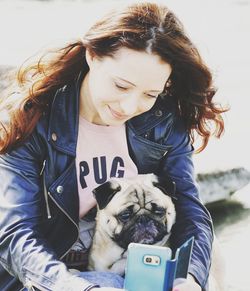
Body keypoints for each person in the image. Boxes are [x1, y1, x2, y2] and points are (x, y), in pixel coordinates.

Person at [0, 2, 227, 291]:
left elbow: (191, 211)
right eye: (121, 86)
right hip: (53, 277)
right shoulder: (30, 120)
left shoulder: (165, 121)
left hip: (141, 264)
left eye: (150, 94)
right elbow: (15, 234)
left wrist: (191, 278)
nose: (130, 106)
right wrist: (80, 288)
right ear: (92, 56)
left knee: (211, 261)